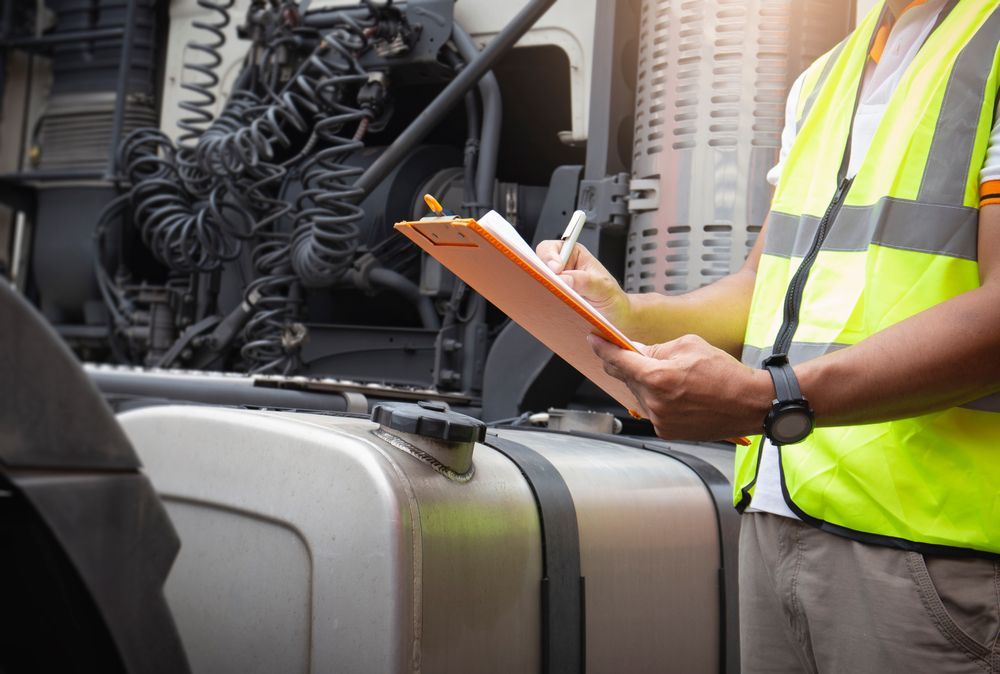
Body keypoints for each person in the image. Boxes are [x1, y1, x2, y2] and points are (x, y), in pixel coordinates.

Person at [538, 0, 1000, 671]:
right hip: (778, 522)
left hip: (932, 553)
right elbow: (765, 285)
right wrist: (630, 312)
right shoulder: (824, 79)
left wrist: (772, 398)